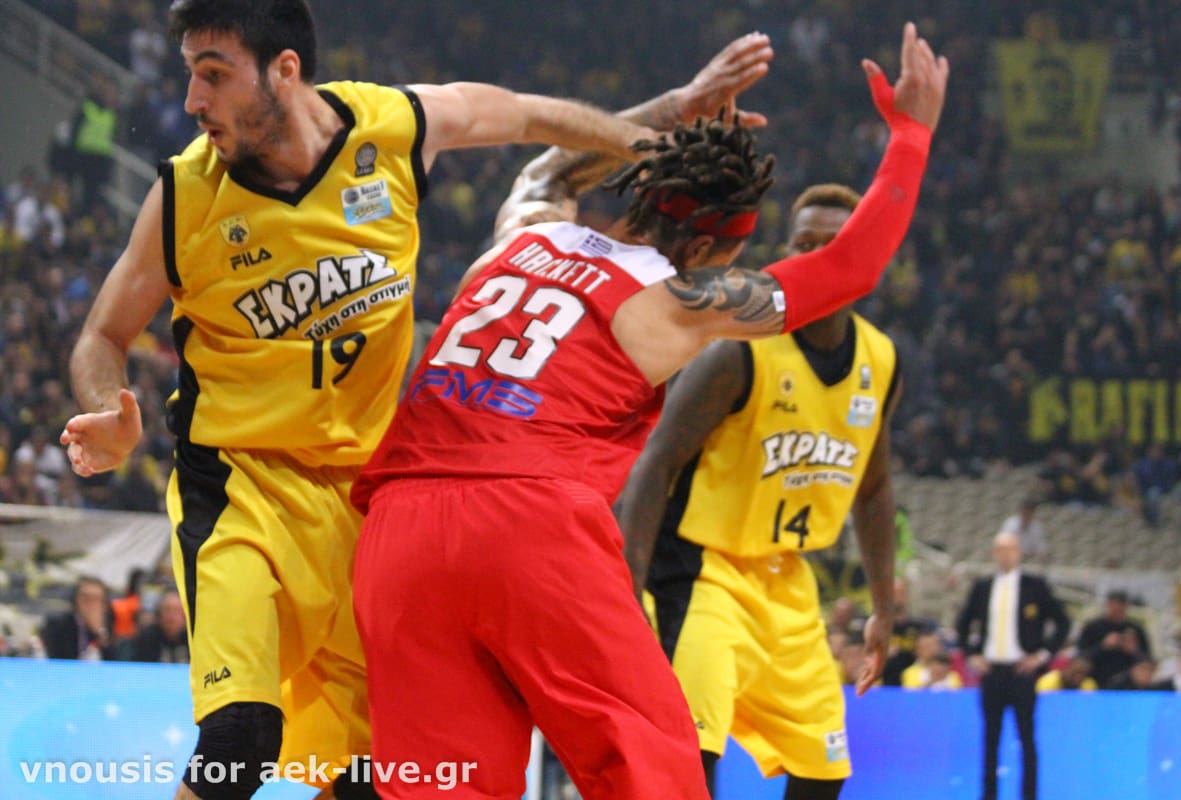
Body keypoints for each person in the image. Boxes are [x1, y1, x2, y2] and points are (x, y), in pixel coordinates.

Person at [57, 1, 674, 797]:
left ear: (284, 70)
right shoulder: (185, 195)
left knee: (373, 772)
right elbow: (102, 334)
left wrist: (656, 139)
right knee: (238, 744)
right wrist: (107, 412)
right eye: (190, 75)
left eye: (213, 75)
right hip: (243, 489)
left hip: (371, 503)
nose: (191, 101)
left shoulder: (392, 128)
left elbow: (528, 115)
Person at [352, 22, 948, 800]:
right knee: (655, 775)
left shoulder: (524, 236)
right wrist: (911, 135)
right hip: (529, 523)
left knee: (441, 787)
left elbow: (549, 165)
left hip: (399, 529)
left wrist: (676, 107)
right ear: (712, 252)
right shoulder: (675, 300)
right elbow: (850, 266)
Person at [616, 175, 904, 798]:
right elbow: (655, 462)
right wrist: (625, 588)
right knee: (689, 751)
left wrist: (883, 607)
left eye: (832, 244)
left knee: (824, 767)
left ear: (861, 259)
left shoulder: (880, 360)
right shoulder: (738, 349)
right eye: (803, 243)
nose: (815, 255)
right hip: (703, 571)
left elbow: (875, 489)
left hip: (787, 580)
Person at [955, 532, 1070, 800]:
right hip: (992, 671)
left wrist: (1042, 655)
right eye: (1000, 549)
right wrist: (972, 655)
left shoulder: (1035, 586)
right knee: (990, 739)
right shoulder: (983, 587)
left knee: (1027, 739)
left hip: (1022, 671)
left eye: (1011, 549)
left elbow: (1063, 622)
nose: (1006, 555)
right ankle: (989, 796)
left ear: (1019, 552)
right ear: (994, 553)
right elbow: (962, 624)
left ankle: (1029, 796)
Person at [1077, 589, 1152, 688]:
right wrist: (1103, 646)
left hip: (1128, 683)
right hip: (1096, 680)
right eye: (1113, 605)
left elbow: (1147, 661)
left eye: (1120, 606)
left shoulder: (1136, 629)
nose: (1116, 609)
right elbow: (1081, 656)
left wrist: (1133, 651)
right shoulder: (1093, 627)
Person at [40, 576, 117, 661]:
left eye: (95, 598)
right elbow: (59, 658)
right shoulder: (57, 626)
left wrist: (99, 632)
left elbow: (113, 661)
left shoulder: (111, 626)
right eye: (85, 597)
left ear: (104, 604)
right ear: (75, 599)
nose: (90, 603)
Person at [128, 588, 190, 663]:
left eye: (177, 611)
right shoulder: (146, 638)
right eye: (167, 610)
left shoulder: (194, 639)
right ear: (159, 614)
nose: (171, 617)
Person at [999, 497, 1047, 561]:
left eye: (1029, 512)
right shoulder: (1010, 524)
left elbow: (1041, 548)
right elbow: (1003, 544)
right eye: (1025, 511)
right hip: (1011, 558)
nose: (1026, 514)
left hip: (1030, 559)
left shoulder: (1037, 528)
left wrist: (1041, 554)